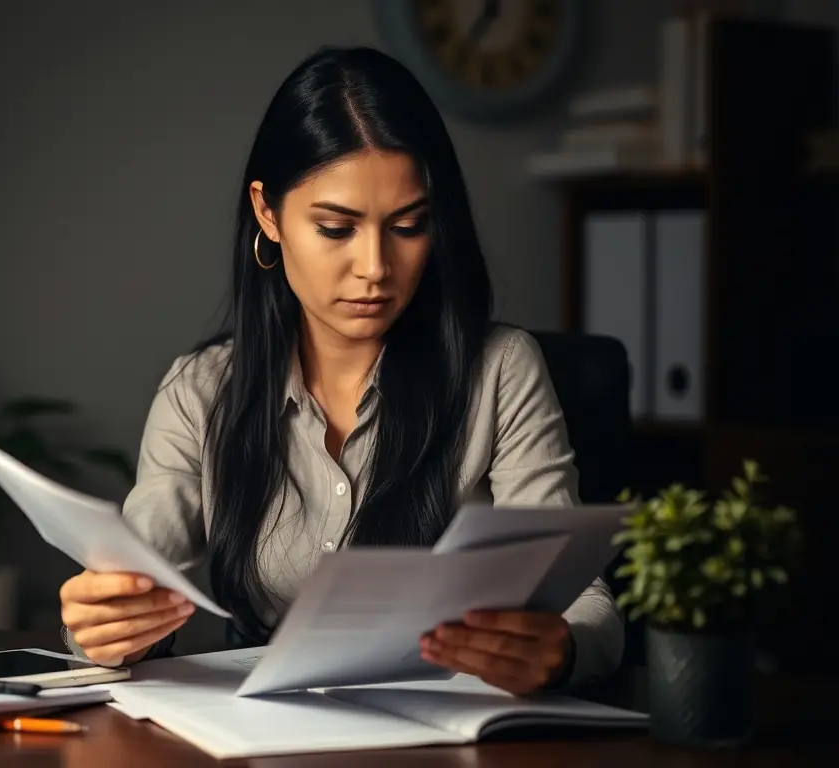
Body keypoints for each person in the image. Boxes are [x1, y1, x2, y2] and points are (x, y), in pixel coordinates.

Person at [59, 46, 623, 695]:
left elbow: (586, 602)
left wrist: (563, 648)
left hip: (443, 725)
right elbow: (132, 580)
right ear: (269, 215)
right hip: (265, 727)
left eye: (408, 227)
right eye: (336, 229)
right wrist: (104, 625)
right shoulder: (201, 393)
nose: (376, 267)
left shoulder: (499, 372)